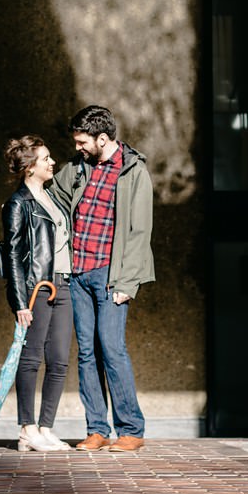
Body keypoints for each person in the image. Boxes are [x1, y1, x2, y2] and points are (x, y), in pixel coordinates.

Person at [49, 105, 155, 453]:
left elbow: (140, 231)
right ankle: (97, 428)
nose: (78, 147)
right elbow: (51, 197)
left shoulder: (133, 171)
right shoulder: (79, 168)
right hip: (79, 273)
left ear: (103, 138)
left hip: (112, 277)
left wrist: (128, 284)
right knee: (87, 355)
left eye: (83, 141)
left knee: (112, 349)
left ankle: (131, 429)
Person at [1, 135, 74, 452]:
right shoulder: (18, 204)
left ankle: (46, 428)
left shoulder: (52, 199)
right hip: (36, 287)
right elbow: (14, 256)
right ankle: (27, 429)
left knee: (59, 360)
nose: (52, 163)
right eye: (46, 158)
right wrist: (19, 302)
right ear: (30, 166)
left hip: (63, 284)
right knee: (31, 359)